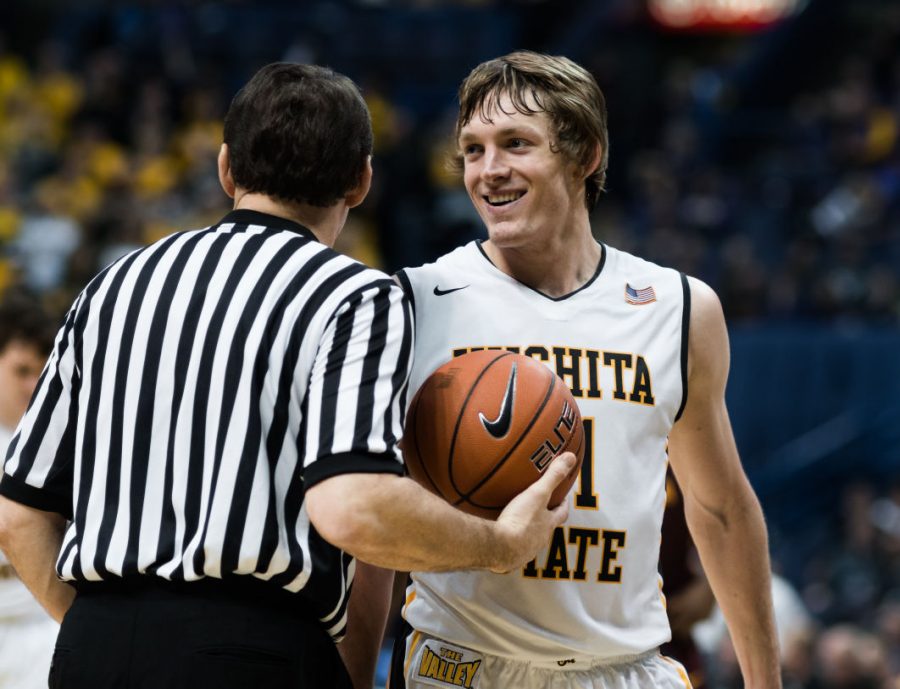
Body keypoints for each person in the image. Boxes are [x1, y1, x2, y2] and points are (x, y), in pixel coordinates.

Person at [0, 62, 575, 689]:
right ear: (361, 182)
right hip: (251, 651)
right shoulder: (354, 294)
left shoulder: (115, 283)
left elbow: (19, 514)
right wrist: (501, 545)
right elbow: (354, 507)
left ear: (225, 169)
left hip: (92, 650)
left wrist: (96, 636)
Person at [389, 51, 781, 688]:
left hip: (625, 669)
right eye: (473, 149)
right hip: (462, 666)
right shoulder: (415, 301)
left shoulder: (680, 309)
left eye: (516, 144)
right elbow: (379, 522)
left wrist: (768, 683)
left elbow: (721, 508)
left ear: (586, 154)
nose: (489, 171)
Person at [0, 290, 58, 689]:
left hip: (42, 623)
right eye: (21, 371)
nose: (33, 385)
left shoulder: (55, 442)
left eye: (41, 371)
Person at [659, 467, 715, 689]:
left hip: (675, 632)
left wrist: (710, 586)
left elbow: (726, 515)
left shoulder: (675, 445)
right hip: (610, 633)